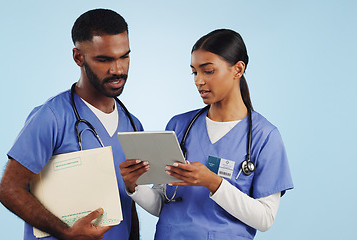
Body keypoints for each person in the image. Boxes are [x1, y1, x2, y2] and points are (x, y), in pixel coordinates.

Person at [120, 29, 293, 240]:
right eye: (194, 72)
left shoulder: (264, 137)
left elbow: (265, 218)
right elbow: (162, 205)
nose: (198, 81)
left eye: (208, 71)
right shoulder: (179, 126)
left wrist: (213, 182)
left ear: (238, 69)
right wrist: (133, 186)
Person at [0, 9, 143, 240]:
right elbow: (9, 190)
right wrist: (66, 232)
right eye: (104, 59)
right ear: (78, 57)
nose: (117, 69)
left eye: (124, 56)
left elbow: (128, 202)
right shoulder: (52, 117)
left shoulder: (133, 125)